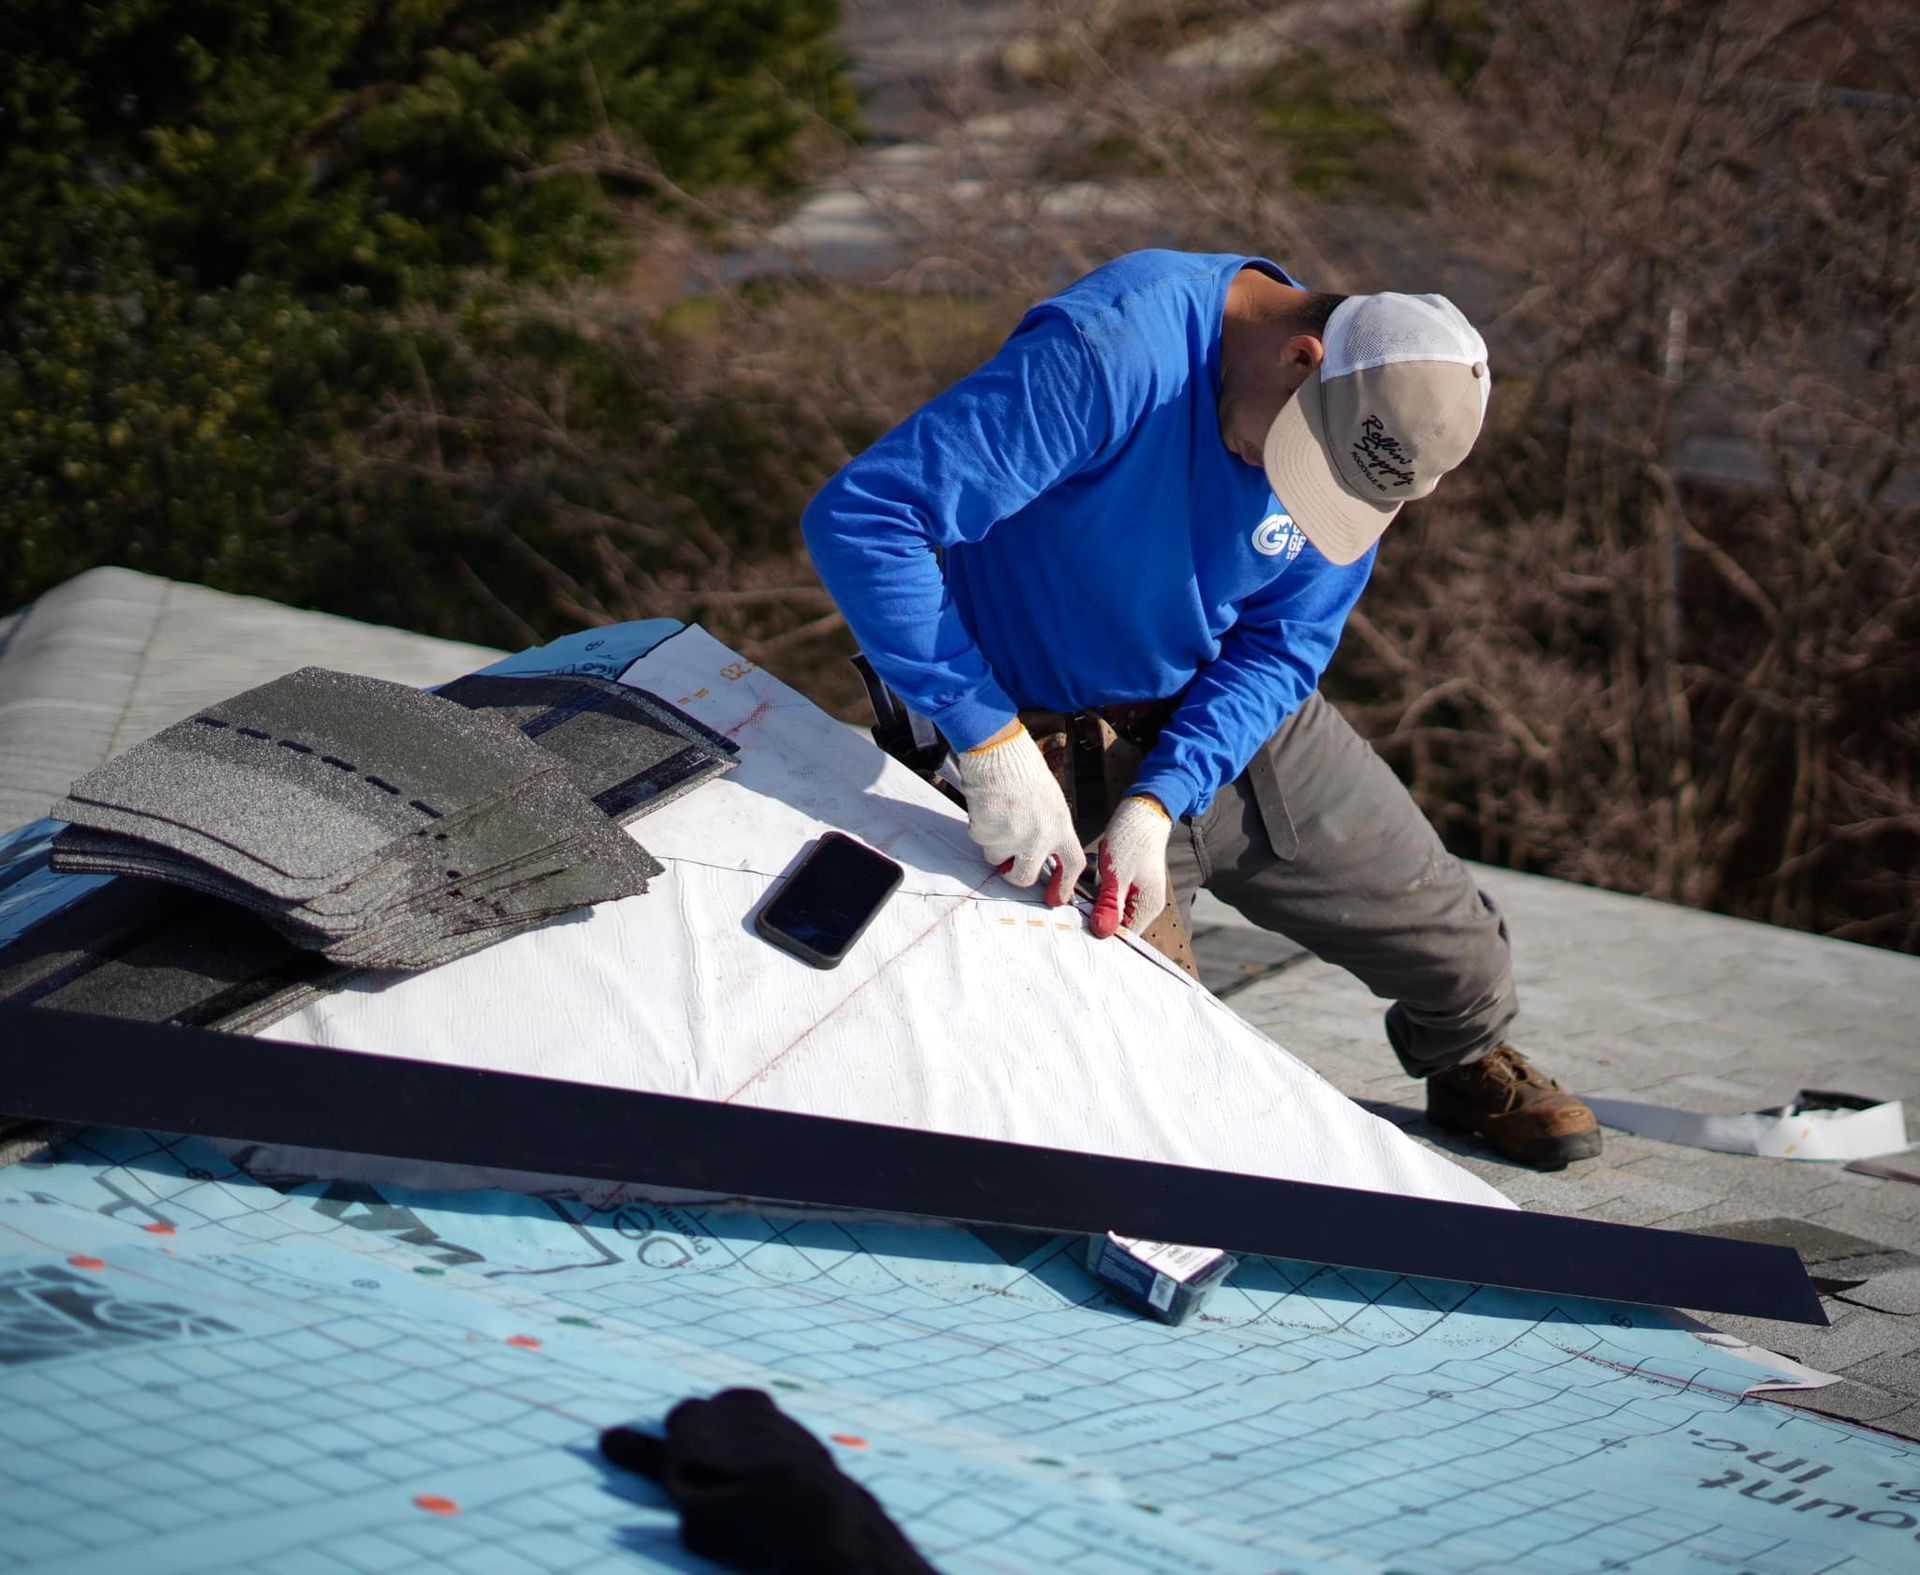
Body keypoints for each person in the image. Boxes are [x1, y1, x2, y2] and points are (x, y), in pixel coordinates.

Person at [801, 250, 1600, 1170]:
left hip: (1225, 714)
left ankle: (1464, 1059)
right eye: (1288, 456)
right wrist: (987, 743)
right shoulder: (1114, 354)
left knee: (1462, 959)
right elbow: (868, 517)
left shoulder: (1364, 439)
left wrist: (1164, 796)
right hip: (1038, 747)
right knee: (1159, 1090)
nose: (1285, 486)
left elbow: (1284, 643)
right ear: (1303, 359)